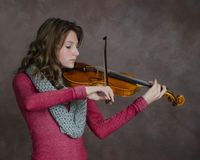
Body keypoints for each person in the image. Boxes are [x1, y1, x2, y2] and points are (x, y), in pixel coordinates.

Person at [12, 18, 166, 160]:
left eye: (76, 47)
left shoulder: (75, 81)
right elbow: (30, 103)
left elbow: (101, 129)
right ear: (50, 46)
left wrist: (142, 102)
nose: (77, 52)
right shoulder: (24, 80)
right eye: (69, 46)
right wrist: (84, 91)